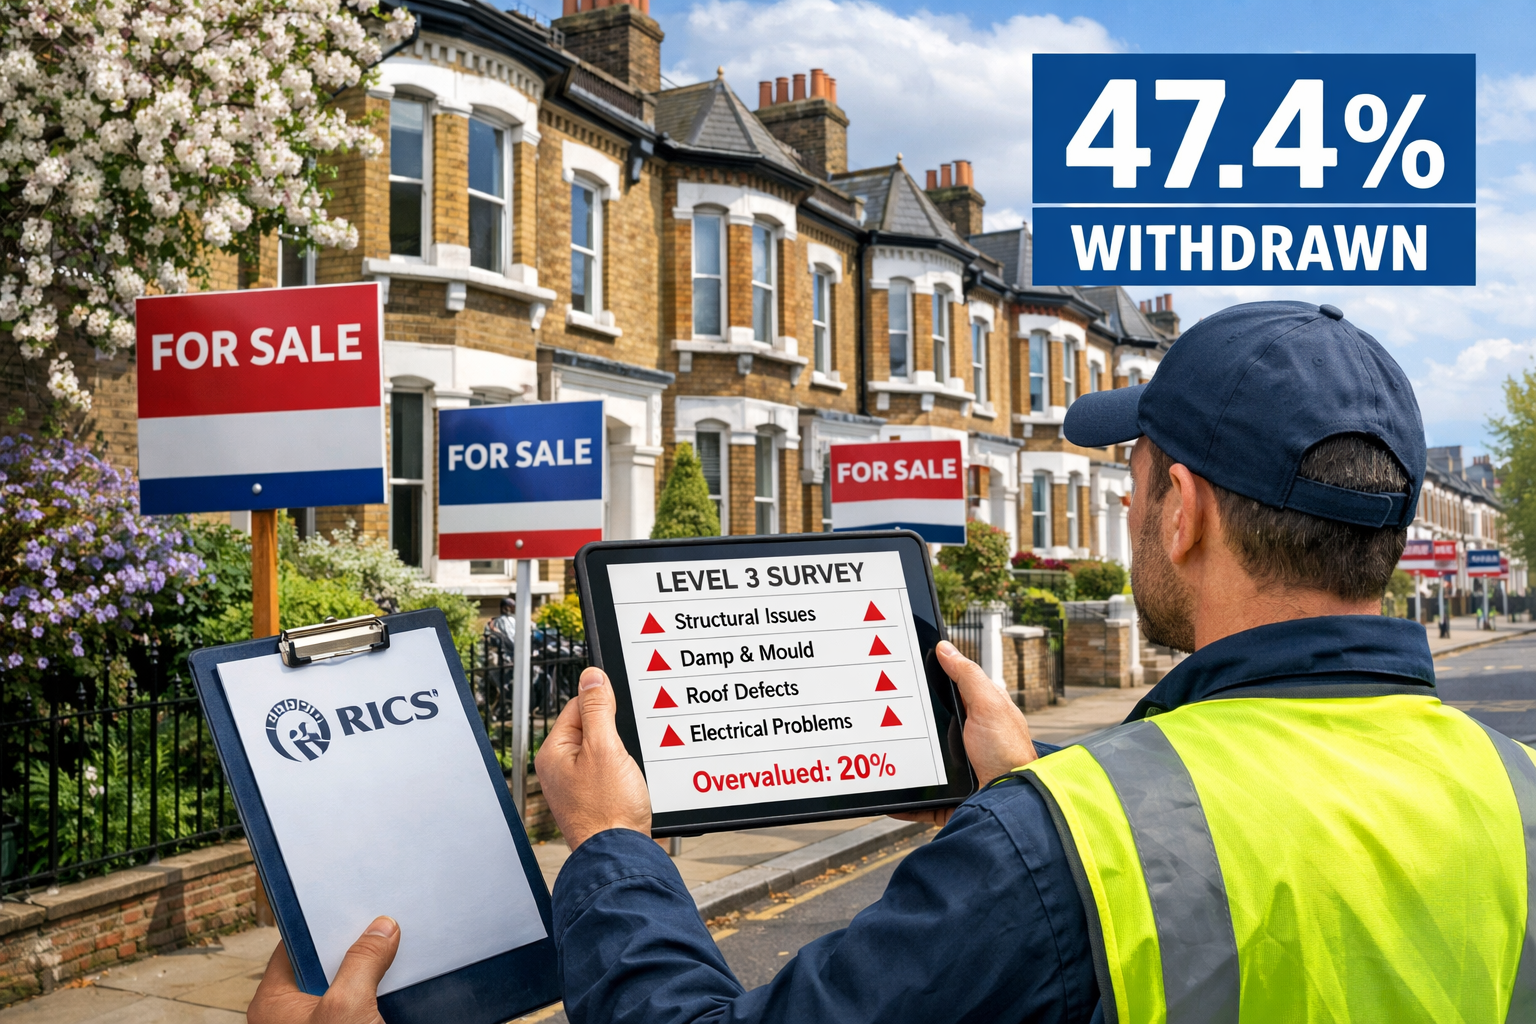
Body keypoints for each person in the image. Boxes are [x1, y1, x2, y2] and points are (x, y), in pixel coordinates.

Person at [248, 301, 1536, 1024]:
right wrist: (1013, 798)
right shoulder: (1517, 790)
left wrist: (608, 850)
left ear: (1183, 511)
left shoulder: (1062, 850)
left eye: (1136, 478)